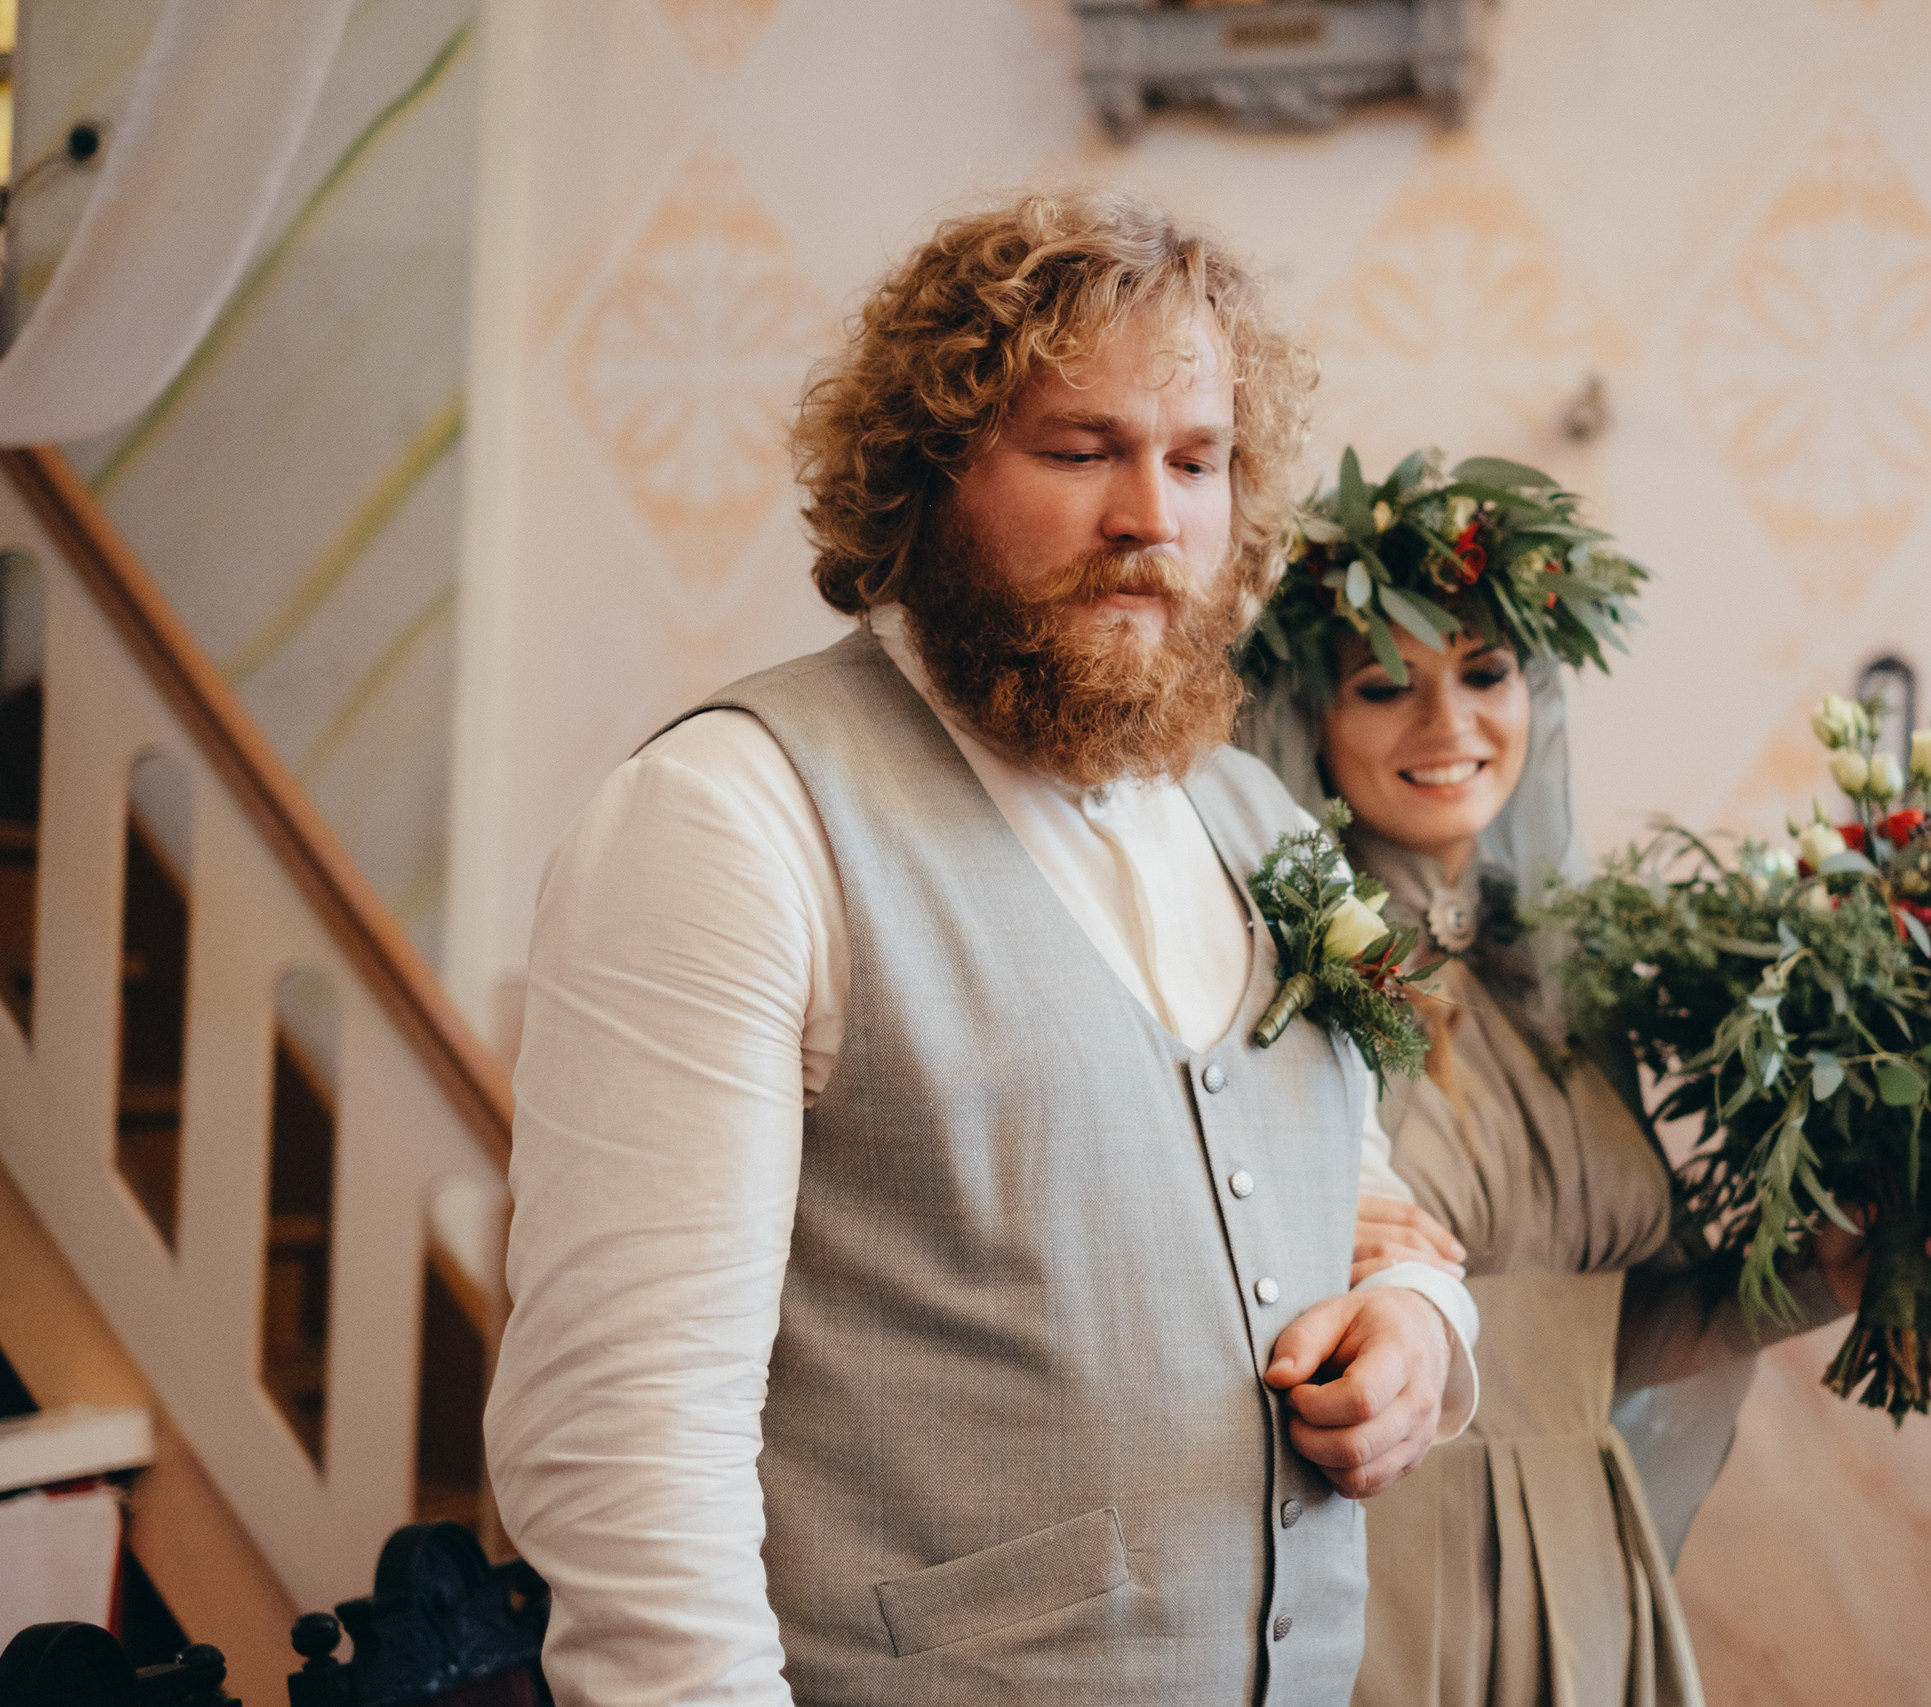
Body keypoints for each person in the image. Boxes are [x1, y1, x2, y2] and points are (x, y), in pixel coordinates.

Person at [484, 193, 1482, 1707]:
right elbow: (624, 1444)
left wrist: (1417, 1333)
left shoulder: (1258, 821)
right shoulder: (727, 816)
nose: (1151, 516)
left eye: (1196, 461)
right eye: (1081, 450)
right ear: (929, 472)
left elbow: (1363, 1207)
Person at [1237, 453, 1865, 1707]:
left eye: (1485, 674)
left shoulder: (1572, 977)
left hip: (1585, 1546)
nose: (1450, 726)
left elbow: (1597, 1343)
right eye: (1384, 685)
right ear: (1309, 718)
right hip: (1377, 1561)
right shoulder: (1282, 976)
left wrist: (1833, 1270)